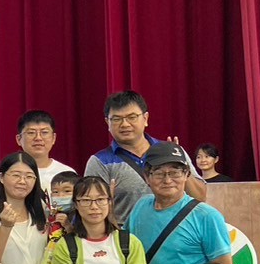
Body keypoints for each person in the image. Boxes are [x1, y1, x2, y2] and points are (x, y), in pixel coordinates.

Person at [125, 143, 234, 264]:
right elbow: (124, 248)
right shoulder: (140, 206)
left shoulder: (207, 216)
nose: (168, 180)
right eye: (159, 173)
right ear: (147, 177)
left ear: (186, 175)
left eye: (175, 173)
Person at [84, 91, 205, 226]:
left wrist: (179, 165)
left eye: (132, 117)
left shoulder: (172, 151)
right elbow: (90, 211)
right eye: (117, 119)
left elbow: (200, 197)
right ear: (107, 122)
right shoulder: (100, 162)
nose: (125, 124)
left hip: (177, 231)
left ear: (145, 118)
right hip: (128, 235)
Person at [0, 111, 76, 194]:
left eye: (44, 132)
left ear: (54, 138)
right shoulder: (2, 174)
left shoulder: (66, 173)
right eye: (31, 133)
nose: (38, 138)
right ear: (19, 139)